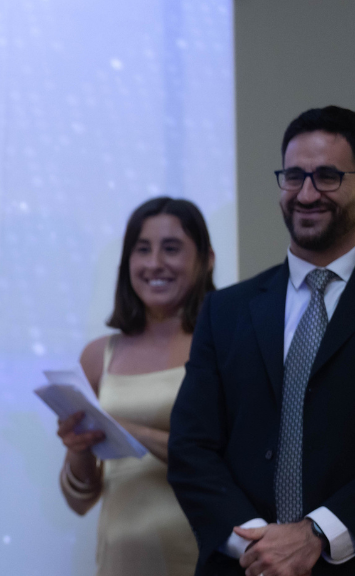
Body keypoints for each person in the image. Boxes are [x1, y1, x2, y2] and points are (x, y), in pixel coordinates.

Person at [168, 106, 355, 576]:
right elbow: (191, 449)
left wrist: (317, 533)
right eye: (294, 176)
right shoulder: (225, 311)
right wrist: (256, 545)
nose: (306, 194)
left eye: (327, 177)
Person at [57, 197, 214, 576]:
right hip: (122, 559)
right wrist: (79, 448)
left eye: (171, 249)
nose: (154, 263)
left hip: (205, 555)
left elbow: (228, 464)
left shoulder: (223, 345)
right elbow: (80, 500)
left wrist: (130, 430)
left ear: (206, 259)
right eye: (142, 250)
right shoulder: (98, 355)